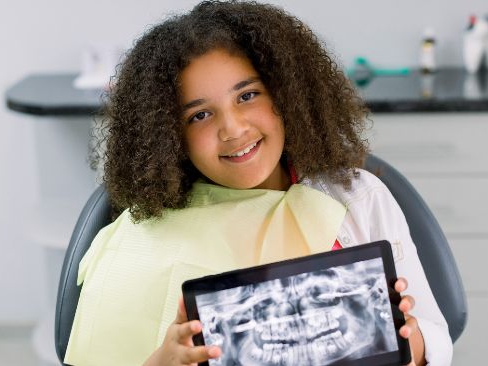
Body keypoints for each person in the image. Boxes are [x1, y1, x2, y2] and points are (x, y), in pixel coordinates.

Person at [65, 1, 453, 365]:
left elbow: (435, 335)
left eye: (247, 95)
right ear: (170, 134)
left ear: (286, 95)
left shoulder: (358, 198)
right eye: (200, 115)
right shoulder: (145, 239)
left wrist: (409, 343)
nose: (233, 129)